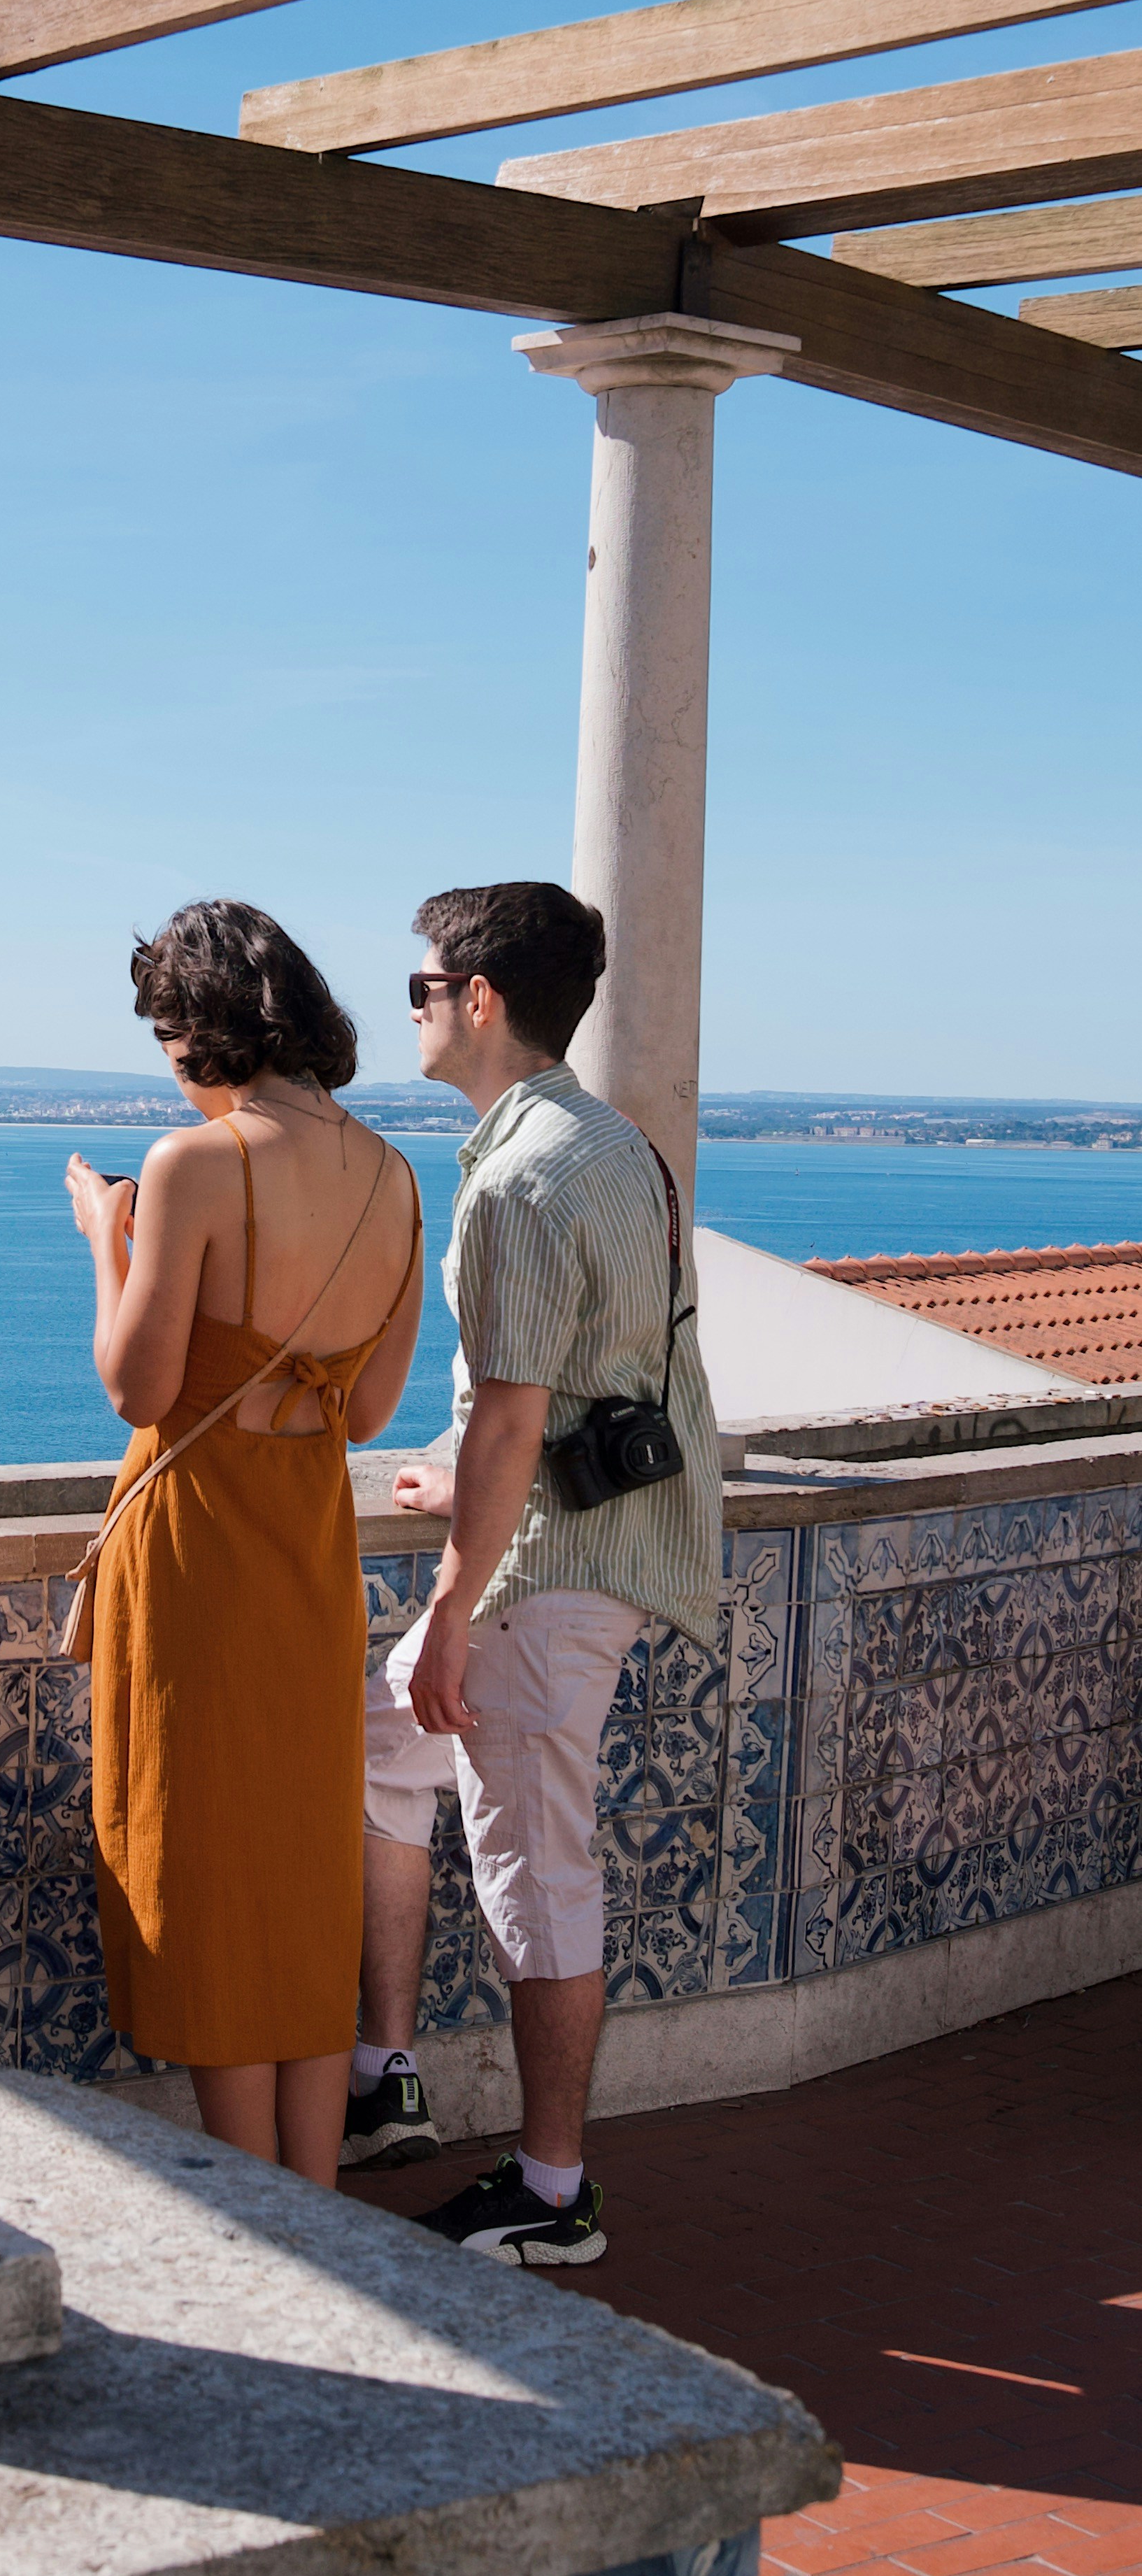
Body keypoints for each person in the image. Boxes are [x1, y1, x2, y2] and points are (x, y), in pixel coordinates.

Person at [349, 880, 720, 2267]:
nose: (417, 1013)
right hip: (597, 1546)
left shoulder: (512, 1179)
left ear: (479, 1001)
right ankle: (382, 2069)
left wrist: (449, 1601)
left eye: (422, 989)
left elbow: (510, 1414)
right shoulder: (619, 1149)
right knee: (386, 1749)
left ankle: (552, 2192)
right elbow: (612, 1378)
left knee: (532, 1864)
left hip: (541, 1580)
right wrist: (470, 1477)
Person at [65, 900, 424, 2186]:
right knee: (298, 1859)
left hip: (203, 1536)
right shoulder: (393, 1175)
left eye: (168, 1030)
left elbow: (139, 1385)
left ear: (198, 1029)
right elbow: (371, 1410)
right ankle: (315, 2196)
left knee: (212, 1855)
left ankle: (267, 2217)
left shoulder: (192, 1166)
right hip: (311, 1540)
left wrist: (103, 1245)